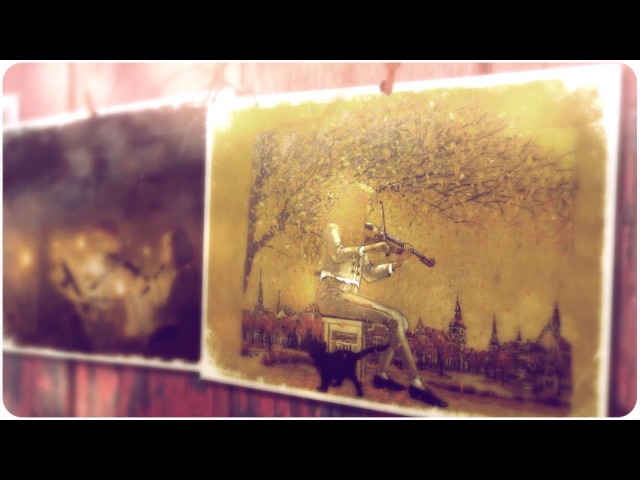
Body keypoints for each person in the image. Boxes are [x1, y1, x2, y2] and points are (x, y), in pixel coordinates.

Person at [315, 183, 447, 407]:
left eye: (367, 207)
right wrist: (371, 247)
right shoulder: (333, 228)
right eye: (363, 206)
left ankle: (381, 375)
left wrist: (397, 263)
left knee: (401, 321)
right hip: (332, 296)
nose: (366, 212)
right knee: (393, 318)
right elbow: (337, 254)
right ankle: (416, 383)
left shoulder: (359, 237)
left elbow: (369, 274)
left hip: (348, 298)